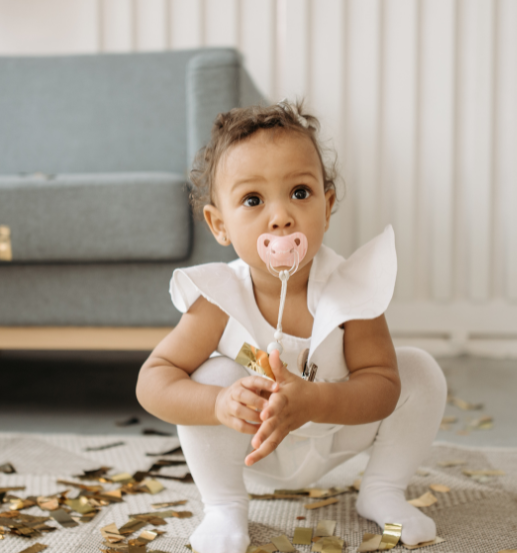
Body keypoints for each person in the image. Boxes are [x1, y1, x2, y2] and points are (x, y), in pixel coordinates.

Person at [136, 100, 447, 553]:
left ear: (328, 204)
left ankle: (382, 490)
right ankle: (224, 506)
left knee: (420, 371)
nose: (280, 216)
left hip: (336, 431)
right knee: (211, 374)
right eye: (253, 200)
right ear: (219, 224)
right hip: (256, 443)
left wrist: (316, 400)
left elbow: (383, 388)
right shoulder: (219, 297)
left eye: (300, 193)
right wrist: (219, 403)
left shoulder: (352, 291)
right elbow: (153, 380)